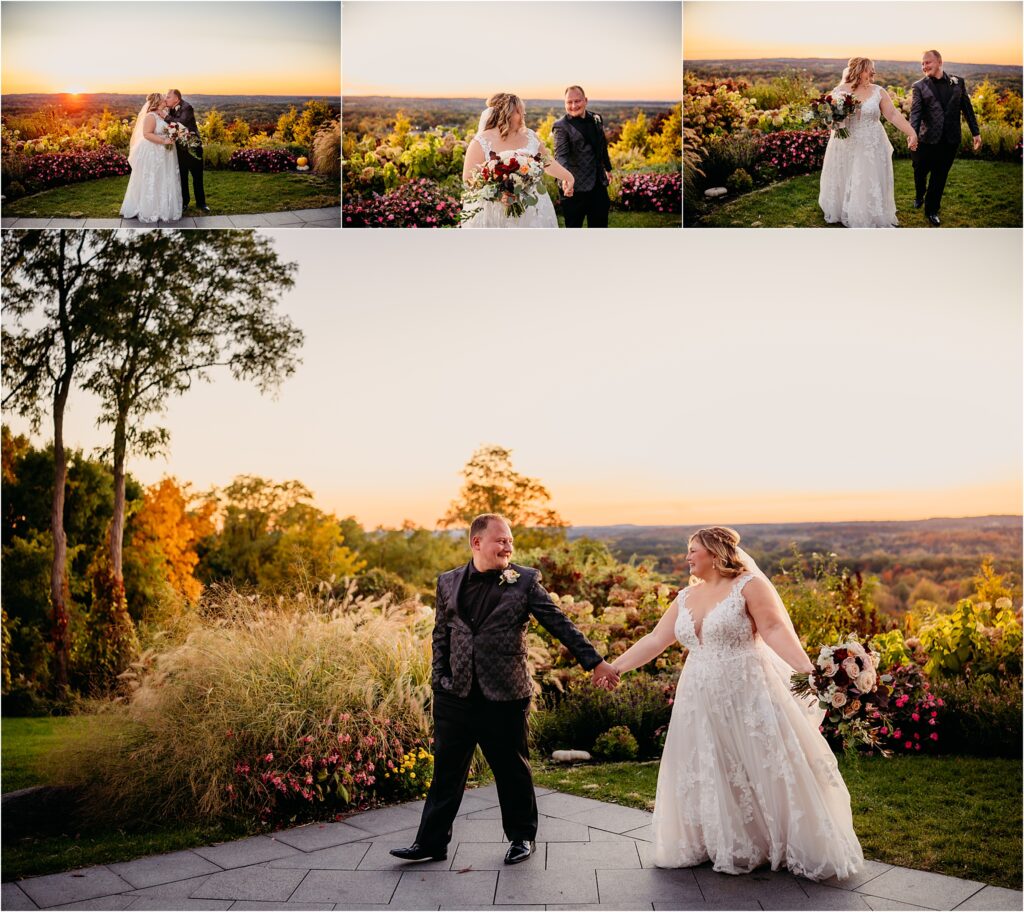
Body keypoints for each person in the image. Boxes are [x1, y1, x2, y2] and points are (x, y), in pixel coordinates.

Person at [609, 527, 864, 881]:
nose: (687, 557)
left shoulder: (749, 586)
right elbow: (655, 639)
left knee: (762, 762)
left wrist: (810, 672)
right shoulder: (685, 597)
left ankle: (779, 839)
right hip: (698, 695)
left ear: (714, 553)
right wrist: (615, 667)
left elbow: (774, 629)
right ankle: (717, 839)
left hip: (747, 689)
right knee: (708, 763)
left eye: (692, 550)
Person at [390, 513, 619, 865]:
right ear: (476, 542)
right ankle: (431, 843)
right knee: (446, 772)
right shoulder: (448, 582)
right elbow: (441, 635)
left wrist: (595, 662)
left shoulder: (524, 582)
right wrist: (440, 680)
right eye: (500, 540)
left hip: (505, 696)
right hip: (455, 695)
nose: (508, 545)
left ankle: (522, 838)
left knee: (512, 769)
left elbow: (560, 623)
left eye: (510, 540)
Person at [818, 57, 919, 228]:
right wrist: (836, 118)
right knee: (847, 174)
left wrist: (912, 133)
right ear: (859, 69)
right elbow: (830, 122)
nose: (874, 72)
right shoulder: (839, 91)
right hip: (846, 142)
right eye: (870, 68)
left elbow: (893, 114)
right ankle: (844, 210)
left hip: (871, 143)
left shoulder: (878, 91)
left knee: (867, 176)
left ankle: (867, 212)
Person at [461, 92, 575, 228]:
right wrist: (498, 194)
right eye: (519, 111)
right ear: (507, 114)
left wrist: (569, 177)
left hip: (532, 207)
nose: (524, 114)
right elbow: (468, 178)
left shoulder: (530, 135)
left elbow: (547, 162)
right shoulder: (481, 141)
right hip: (495, 210)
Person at [910, 50, 982, 226]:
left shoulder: (958, 83)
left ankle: (932, 210)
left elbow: (967, 109)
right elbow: (916, 113)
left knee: (939, 176)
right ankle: (920, 194)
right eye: (922, 63)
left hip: (950, 140)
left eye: (928, 62)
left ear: (939, 62)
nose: (924, 66)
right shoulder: (919, 86)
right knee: (919, 171)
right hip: (926, 140)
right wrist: (913, 134)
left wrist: (975, 132)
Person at [552, 86, 613, 228]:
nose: (573, 106)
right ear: (565, 103)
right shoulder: (561, 126)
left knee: (600, 227)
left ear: (585, 100)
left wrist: (608, 168)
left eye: (577, 101)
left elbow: (602, 146)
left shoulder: (597, 118)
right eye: (569, 102)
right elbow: (561, 156)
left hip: (598, 185)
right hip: (574, 188)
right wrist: (565, 180)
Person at [120, 92, 183, 223]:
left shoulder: (165, 114)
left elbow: (173, 127)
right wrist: (164, 141)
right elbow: (147, 134)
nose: (166, 100)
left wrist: (172, 136)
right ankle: (150, 209)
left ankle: (164, 208)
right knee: (153, 177)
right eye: (163, 99)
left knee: (164, 177)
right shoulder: (150, 116)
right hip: (154, 151)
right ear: (157, 102)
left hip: (166, 152)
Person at [164, 89, 209, 213]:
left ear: (176, 99)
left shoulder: (187, 107)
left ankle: (201, 203)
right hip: (179, 149)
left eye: (168, 97)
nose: (165, 99)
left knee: (197, 177)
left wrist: (165, 117)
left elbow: (181, 123)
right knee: (182, 177)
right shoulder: (169, 109)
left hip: (193, 147)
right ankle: (184, 203)